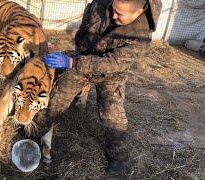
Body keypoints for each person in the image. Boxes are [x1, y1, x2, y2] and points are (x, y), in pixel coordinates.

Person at [42, 0, 162, 177]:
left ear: (139, 12)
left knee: (113, 117)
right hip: (82, 62)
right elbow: (84, 29)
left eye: (120, 14)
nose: (113, 15)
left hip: (111, 74)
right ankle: (36, 132)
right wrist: (77, 53)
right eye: (113, 9)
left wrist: (74, 62)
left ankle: (119, 160)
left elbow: (112, 63)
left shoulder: (141, 35)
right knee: (55, 100)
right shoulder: (98, 4)